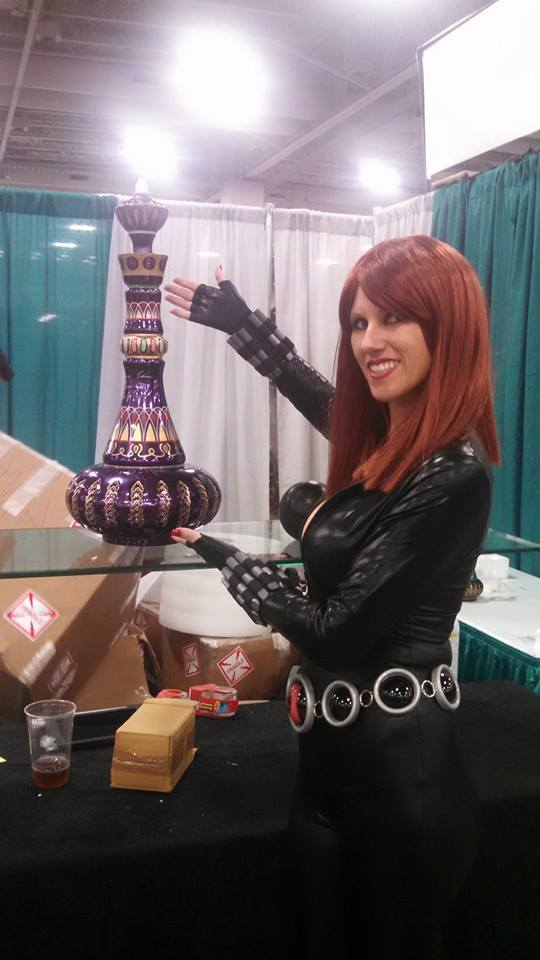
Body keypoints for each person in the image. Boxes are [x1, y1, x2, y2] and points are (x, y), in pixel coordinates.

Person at [164, 236, 500, 960]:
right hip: (326, 770)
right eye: (358, 322)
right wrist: (248, 331)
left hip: (404, 788)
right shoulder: (392, 441)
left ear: (447, 327)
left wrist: (241, 571)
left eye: (393, 318)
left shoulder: (454, 473)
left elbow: (336, 631)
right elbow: (326, 398)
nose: (369, 341)